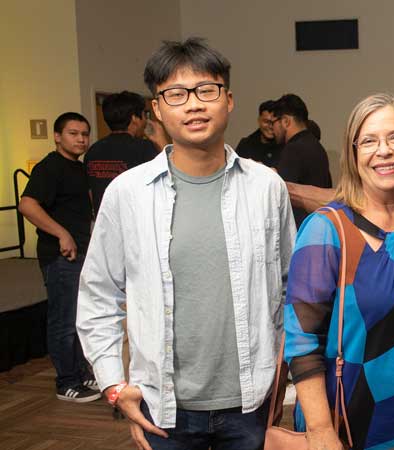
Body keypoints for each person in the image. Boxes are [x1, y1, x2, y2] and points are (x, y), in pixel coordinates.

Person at [77, 38, 296, 450]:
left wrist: (286, 378)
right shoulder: (129, 193)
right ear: (156, 109)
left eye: (206, 91)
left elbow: (291, 289)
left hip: (250, 404)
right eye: (176, 94)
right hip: (163, 408)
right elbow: (98, 295)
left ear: (228, 100)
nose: (193, 105)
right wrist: (113, 384)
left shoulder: (266, 186)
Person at [284, 93, 394, 449]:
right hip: (351, 425)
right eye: (369, 141)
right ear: (353, 153)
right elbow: (302, 345)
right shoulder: (326, 230)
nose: (384, 151)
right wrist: (320, 433)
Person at [19, 112, 99, 403]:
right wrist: (61, 234)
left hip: (81, 254)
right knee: (63, 321)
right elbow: (27, 204)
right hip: (60, 257)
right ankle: (66, 382)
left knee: (80, 320)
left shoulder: (77, 168)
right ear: (57, 136)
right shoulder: (49, 167)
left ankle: (81, 373)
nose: (80, 139)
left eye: (84, 134)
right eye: (73, 133)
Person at [85, 91, 158, 215]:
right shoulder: (144, 148)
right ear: (135, 118)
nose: (145, 121)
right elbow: (169, 179)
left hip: (104, 224)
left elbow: (91, 193)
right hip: (135, 224)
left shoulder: (93, 151)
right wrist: (160, 140)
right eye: (144, 115)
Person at [269, 93, 333, 226]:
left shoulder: (293, 150)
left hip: (302, 231)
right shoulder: (316, 145)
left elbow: (279, 196)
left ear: (286, 121)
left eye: (273, 123)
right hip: (321, 226)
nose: (272, 129)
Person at [235, 99, 282, 167]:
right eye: (266, 122)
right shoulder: (246, 145)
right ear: (259, 120)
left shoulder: (286, 146)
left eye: (273, 122)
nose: (270, 126)